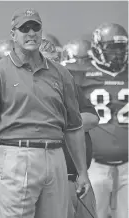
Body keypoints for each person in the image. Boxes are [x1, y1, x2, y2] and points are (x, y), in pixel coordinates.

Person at [0, 8, 90, 218]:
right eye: (24, 28)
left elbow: (74, 127)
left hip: (55, 154)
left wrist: (82, 172)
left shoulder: (61, 73)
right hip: (15, 153)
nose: (31, 33)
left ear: (41, 32)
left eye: (36, 27)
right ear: (13, 34)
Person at [66, 23, 128, 218]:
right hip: (94, 164)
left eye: (121, 48)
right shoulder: (80, 73)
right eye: (112, 48)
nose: (117, 54)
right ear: (97, 48)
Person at [60, 38, 100, 218]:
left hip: (78, 175)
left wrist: (62, 123)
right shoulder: (23, 90)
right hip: (48, 179)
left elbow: (92, 118)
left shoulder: (69, 86)